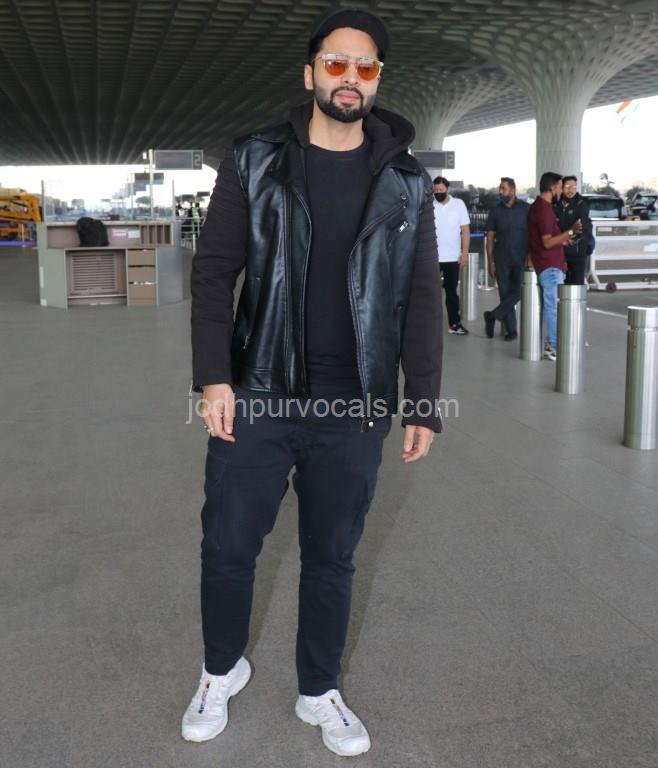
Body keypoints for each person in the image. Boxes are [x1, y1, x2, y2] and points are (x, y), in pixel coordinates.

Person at [184, 7, 443, 758]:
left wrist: (423, 401)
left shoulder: (406, 181)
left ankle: (318, 688)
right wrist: (213, 379)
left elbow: (422, 296)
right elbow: (214, 273)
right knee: (228, 545)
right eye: (336, 63)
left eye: (365, 67)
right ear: (311, 74)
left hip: (354, 402)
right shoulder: (254, 158)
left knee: (332, 555)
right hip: (258, 389)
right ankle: (220, 670)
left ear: (378, 79)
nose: (350, 78)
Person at [527, 172, 582, 360]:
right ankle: (552, 345)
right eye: (560, 187)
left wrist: (565, 239)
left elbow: (549, 239)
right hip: (550, 266)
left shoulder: (538, 207)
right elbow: (548, 242)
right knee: (552, 307)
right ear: (552, 188)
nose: (561, 191)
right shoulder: (544, 210)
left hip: (548, 264)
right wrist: (570, 231)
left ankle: (552, 343)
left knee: (551, 306)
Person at [483, 177, 529, 341]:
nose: (500, 192)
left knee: (519, 291)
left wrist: (530, 255)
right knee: (505, 293)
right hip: (501, 258)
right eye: (500, 188)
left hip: (521, 258)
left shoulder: (526, 209)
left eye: (503, 189)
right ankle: (512, 330)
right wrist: (490, 262)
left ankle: (493, 315)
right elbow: (490, 238)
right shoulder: (495, 211)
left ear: (513, 190)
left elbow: (533, 233)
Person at [433, 176, 470, 335]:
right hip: (432, 258)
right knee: (430, 293)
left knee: (451, 293)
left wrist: (464, 253)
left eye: (441, 190)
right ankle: (429, 326)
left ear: (448, 189)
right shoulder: (429, 205)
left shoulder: (458, 204)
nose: (438, 192)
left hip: (452, 258)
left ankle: (454, 324)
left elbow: (465, 231)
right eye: (435, 190)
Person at [553, 175, 593, 285]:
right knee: (560, 286)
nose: (571, 190)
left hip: (577, 252)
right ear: (561, 188)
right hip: (559, 252)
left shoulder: (582, 204)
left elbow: (581, 227)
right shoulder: (555, 204)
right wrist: (563, 238)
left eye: (574, 187)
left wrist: (569, 237)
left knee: (576, 287)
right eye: (567, 187)